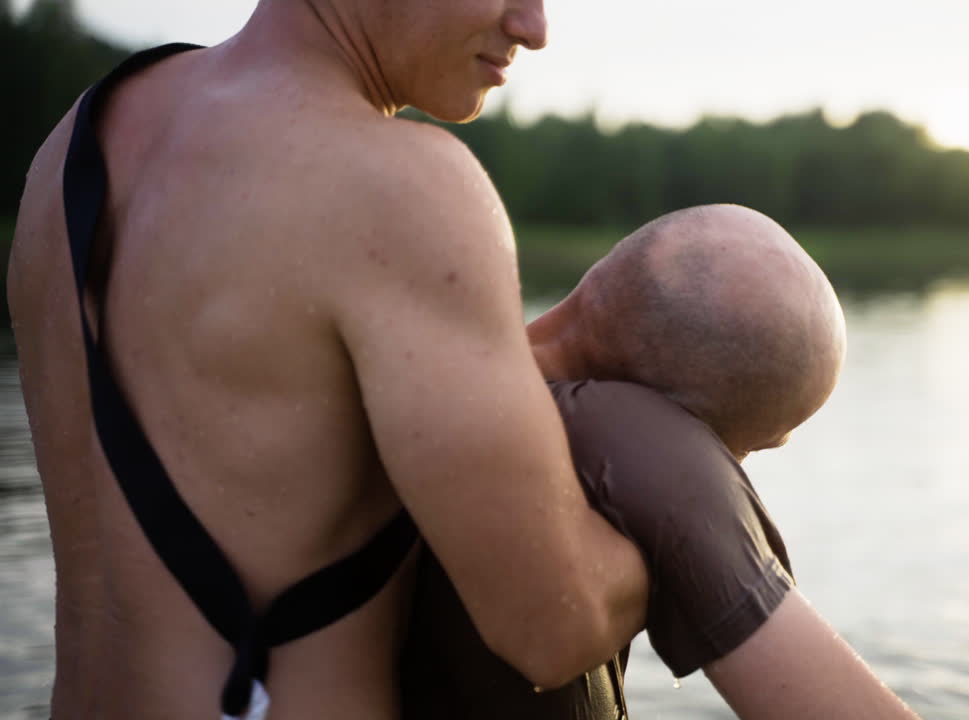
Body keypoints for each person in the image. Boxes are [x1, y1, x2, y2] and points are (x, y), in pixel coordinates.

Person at [7, 1, 650, 719]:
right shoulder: (400, 189)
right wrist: (695, 499)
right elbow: (553, 624)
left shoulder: (74, 142)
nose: (534, 27)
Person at [402, 205, 920, 720]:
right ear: (697, 442)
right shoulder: (635, 448)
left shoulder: (414, 387)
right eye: (748, 452)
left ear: (602, 276)